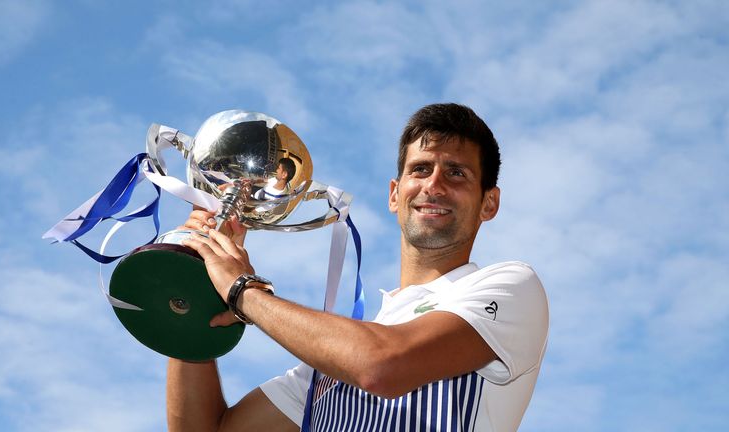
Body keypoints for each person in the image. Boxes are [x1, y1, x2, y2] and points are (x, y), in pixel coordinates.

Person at [169, 103, 549, 432]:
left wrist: (241, 290)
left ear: (489, 203)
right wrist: (194, 286)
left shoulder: (510, 287)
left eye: (456, 173)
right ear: (394, 195)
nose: (433, 185)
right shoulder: (329, 362)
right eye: (419, 169)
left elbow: (381, 366)